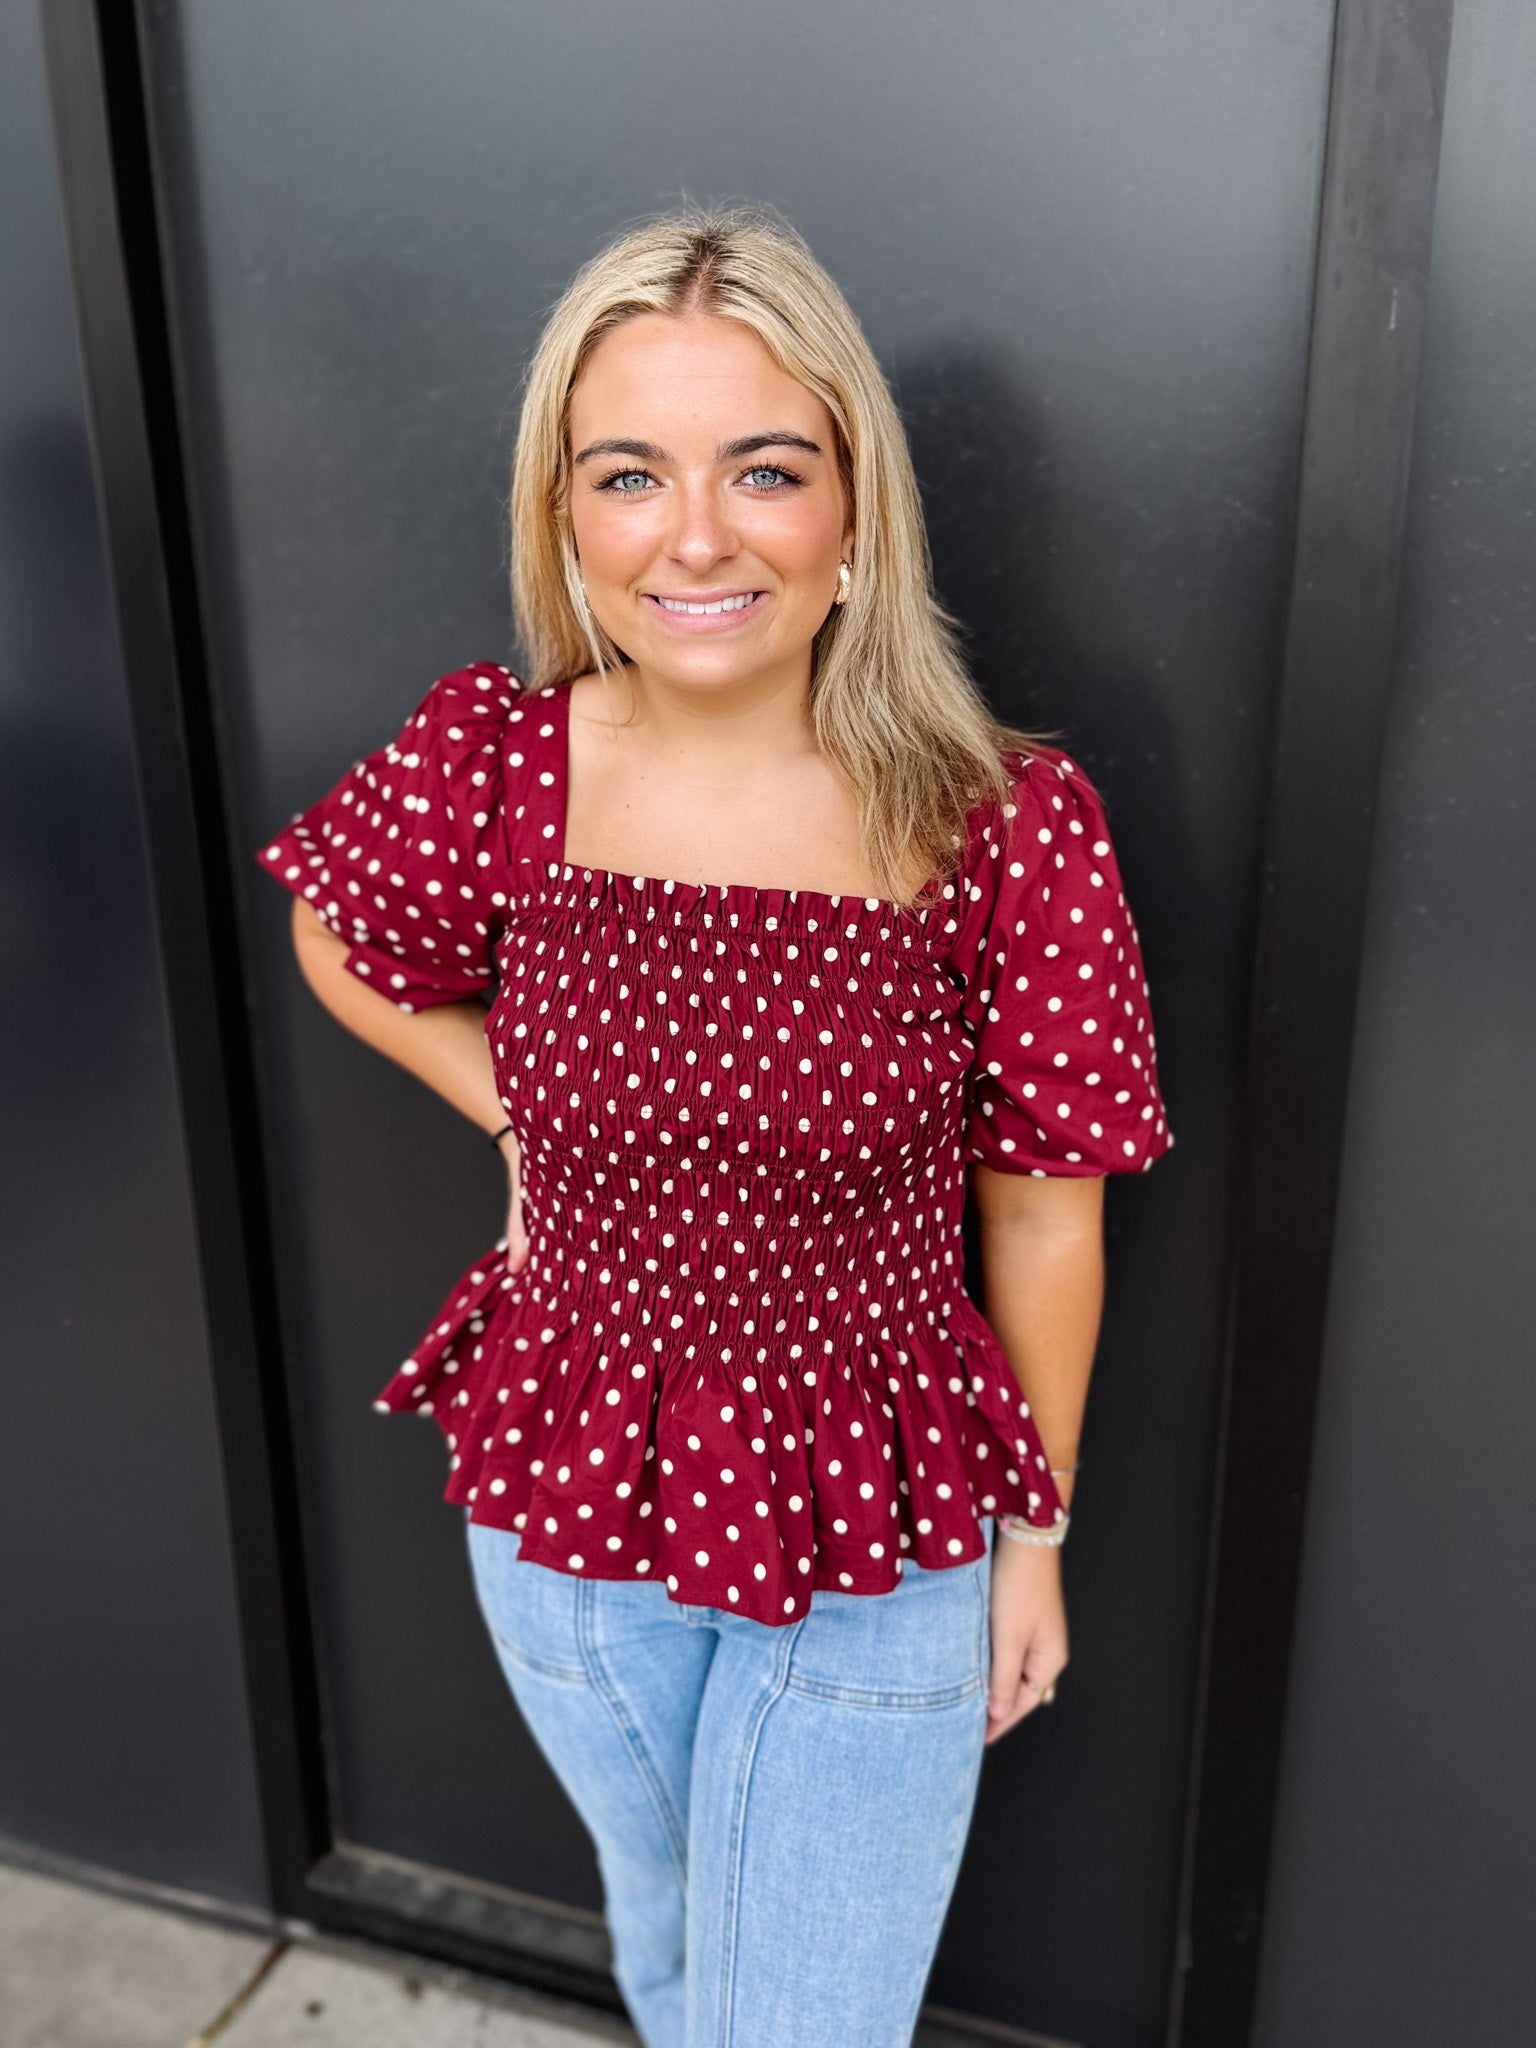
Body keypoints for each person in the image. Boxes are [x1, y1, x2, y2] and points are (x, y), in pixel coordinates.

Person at [258, 204, 1174, 2048]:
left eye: (763, 468)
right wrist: (519, 1117)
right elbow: (337, 938)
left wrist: (1037, 1536)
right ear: (565, 517)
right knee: (673, 1934)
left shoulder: (1000, 821)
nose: (694, 535)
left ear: (854, 509)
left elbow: (1043, 1217)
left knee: (803, 2020)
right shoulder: (497, 761)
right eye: (629, 475)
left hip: (880, 1525)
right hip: (571, 1501)